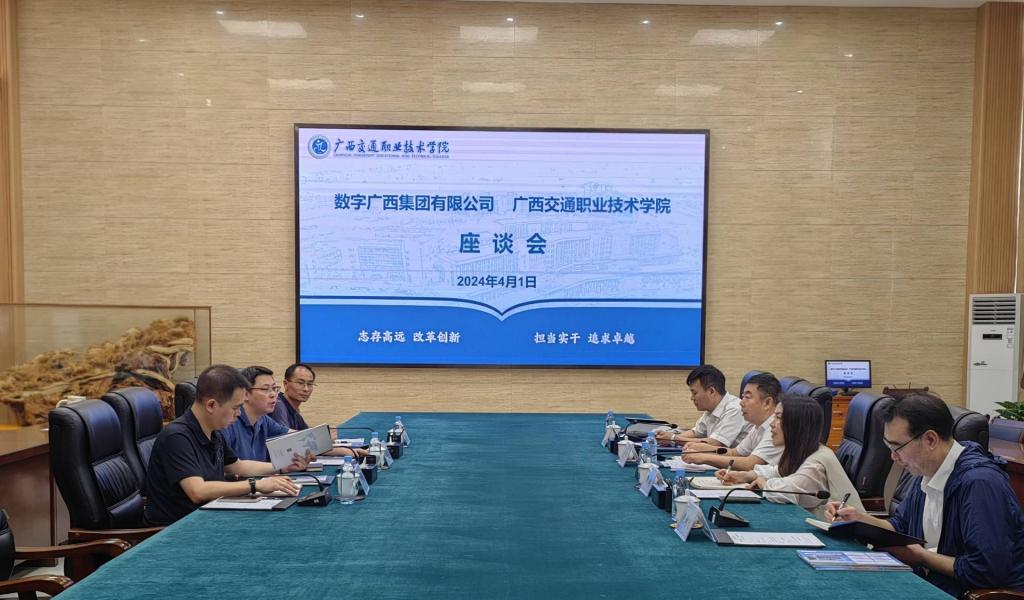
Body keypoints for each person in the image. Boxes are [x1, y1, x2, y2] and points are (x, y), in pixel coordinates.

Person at [825, 393, 1024, 597]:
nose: (893, 457)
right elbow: (900, 526)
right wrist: (858, 518)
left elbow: (984, 571)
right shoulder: (927, 470)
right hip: (933, 583)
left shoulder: (979, 483)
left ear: (930, 439)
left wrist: (921, 557)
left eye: (897, 447)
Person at [144, 364, 307, 526]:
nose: (239, 413)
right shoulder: (177, 437)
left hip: (210, 515)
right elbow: (197, 491)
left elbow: (238, 466)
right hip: (178, 527)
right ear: (211, 405)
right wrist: (255, 485)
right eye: (235, 408)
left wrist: (282, 467)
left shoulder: (213, 432)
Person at [718, 393, 863, 520]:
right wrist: (746, 475)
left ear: (797, 424)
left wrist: (763, 483)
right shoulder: (801, 450)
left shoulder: (817, 461)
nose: (772, 424)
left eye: (778, 418)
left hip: (846, 535)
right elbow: (779, 471)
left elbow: (788, 491)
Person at [682, 372, 784, 470]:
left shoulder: (777, 428)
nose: (741, 403)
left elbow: (750, 464)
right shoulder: (758, 426)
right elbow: (734, 453)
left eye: (747, 397)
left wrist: (705, 457)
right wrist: (704, 448)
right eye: (743, 397)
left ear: (767, 403)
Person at [655, 364, 750, 448]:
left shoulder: (735, 409)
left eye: (695, 393)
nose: (692, 398)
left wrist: (673, 439)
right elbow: (696, 432)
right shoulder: (712, 408)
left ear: (711, 391)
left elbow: (715, 443)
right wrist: (667, 438)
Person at [222, 366, 297, 462]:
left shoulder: (263, 419)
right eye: (266, 389)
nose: (273, 394)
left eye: (275, 388)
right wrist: (279, 468)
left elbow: (294, 435)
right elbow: (231, 467)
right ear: (245, 394)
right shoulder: (229, 421)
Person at [270, 363, 315, 431]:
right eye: (300, 383)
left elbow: (307, 433)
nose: (306, 389)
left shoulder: (294, 409)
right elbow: (285, 436)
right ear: (286, 384)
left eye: (310, 384)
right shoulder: (278, 405)